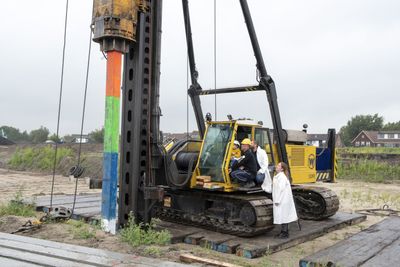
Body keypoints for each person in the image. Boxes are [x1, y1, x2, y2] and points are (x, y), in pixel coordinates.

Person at [272, 162, 298, 238]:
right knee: (283, 216)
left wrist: (277, 200)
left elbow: (280, 189)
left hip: (282, 200)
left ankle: (285, 233)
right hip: (282, 199)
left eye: (278, 166)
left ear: (282, 168)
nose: (276, 166)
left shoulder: (282, 177)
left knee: (283, 216)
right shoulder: (279, 176)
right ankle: (283, 232)